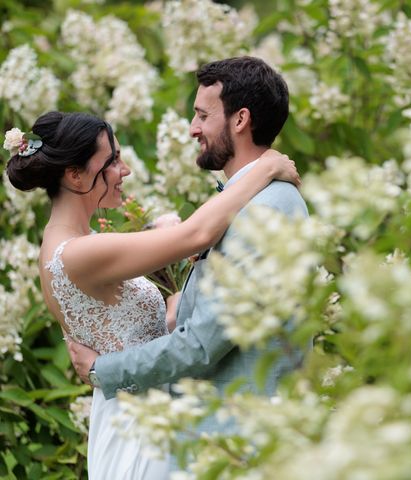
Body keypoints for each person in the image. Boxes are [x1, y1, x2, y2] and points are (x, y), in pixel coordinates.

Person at [4, 108, 300, 479]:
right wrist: (266, 168)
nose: (124, 170)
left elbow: (134, 329)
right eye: (112, 160)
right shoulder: (78, 253)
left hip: (149, 412)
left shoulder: (81, 243)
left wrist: (176, 307)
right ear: (74, 174)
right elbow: (196, 234)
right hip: (137, 426)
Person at [66, 57, 309, 464]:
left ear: (240, 119)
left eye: (202, 115)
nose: (192, 128)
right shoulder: (249, 201)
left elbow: (201, 345)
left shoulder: (266, 210)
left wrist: (103, 370)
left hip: (242, 448)